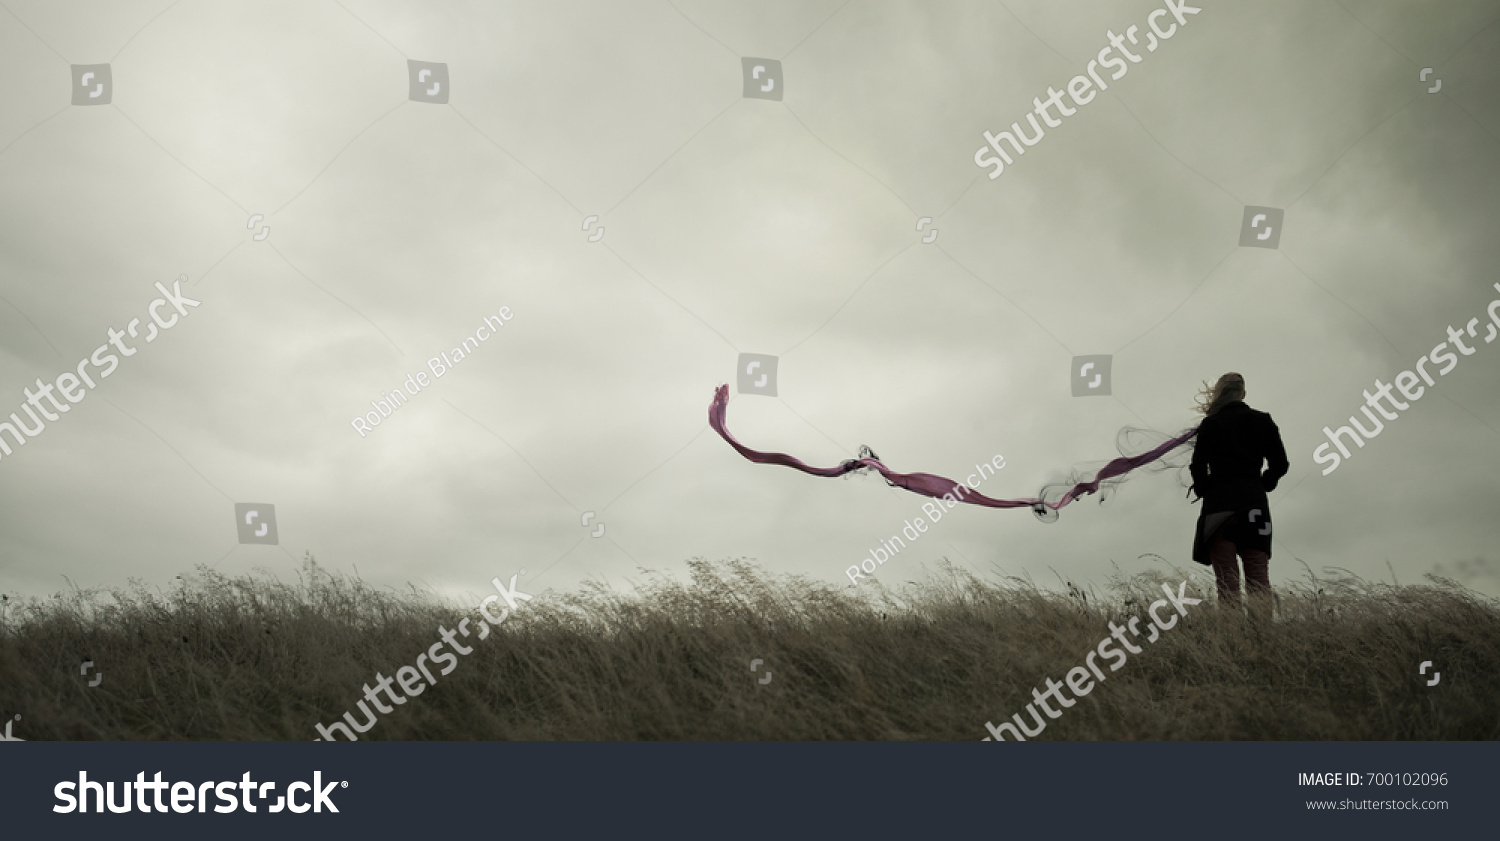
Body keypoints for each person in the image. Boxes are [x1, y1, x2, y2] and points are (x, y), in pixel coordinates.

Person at [1188, 373, 1289, 621]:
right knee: (1258, 578)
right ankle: (1263, 638)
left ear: (1219, 394)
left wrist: (1205, 489)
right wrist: (1264, 483)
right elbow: (1281, 463)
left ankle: (1233, 640)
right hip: (1254, 506)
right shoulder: (1262, 421)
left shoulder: (1211, 425)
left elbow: (1197, 467)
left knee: (1227, 582)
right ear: (1243, 393)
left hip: (1219, 509)